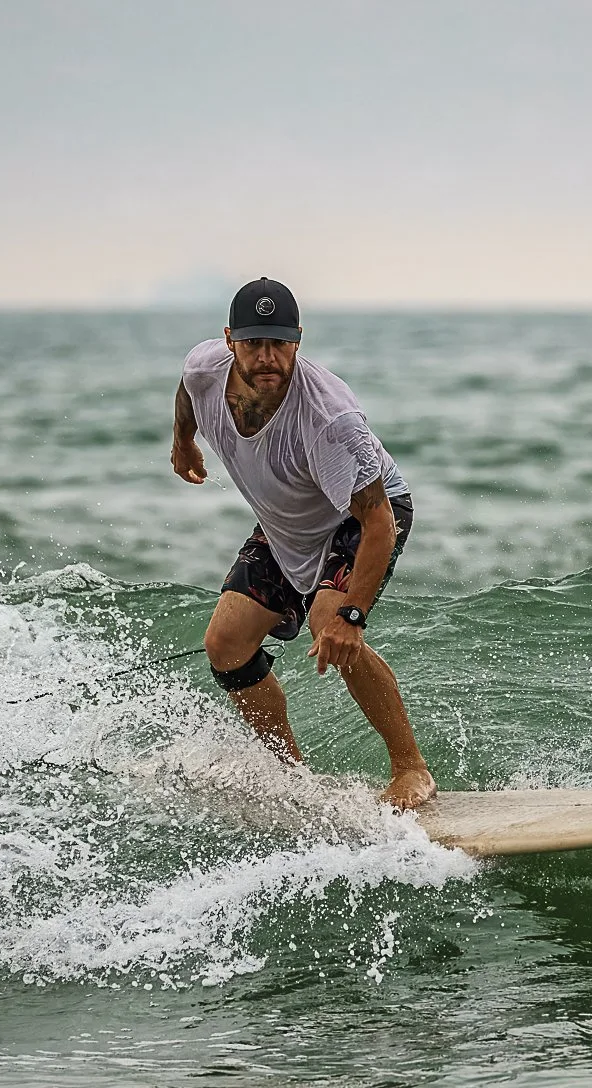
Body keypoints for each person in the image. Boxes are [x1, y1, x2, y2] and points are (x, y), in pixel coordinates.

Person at [169, 278, 437, 810]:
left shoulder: (330, 420)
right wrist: (183, 442)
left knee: (329, 624)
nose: (267, 357)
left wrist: (351, 617)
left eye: (280, 344)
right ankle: (292, 781)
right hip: (287, 523)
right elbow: (187, 392)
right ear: (229, 341)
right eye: (253, 344)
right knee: (225, 645)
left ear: (298, 341)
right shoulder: (204, 369)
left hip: (359, 519)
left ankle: (412, 768)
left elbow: (379, 520)